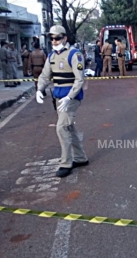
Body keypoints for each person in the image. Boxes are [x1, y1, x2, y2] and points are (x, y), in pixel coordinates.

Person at [35, 25, 89, 178]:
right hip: (59, 97)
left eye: (57, 38)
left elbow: (79, 80)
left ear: (64, 38)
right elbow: (45, 75)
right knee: (68, 127)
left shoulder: (74, 54)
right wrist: (40, 89)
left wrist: (70, 97)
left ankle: (66, 163)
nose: (54, 41)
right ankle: (80, 158)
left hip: (71, 98)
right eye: (51, 38)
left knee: (61, 128)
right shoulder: (52, 56)